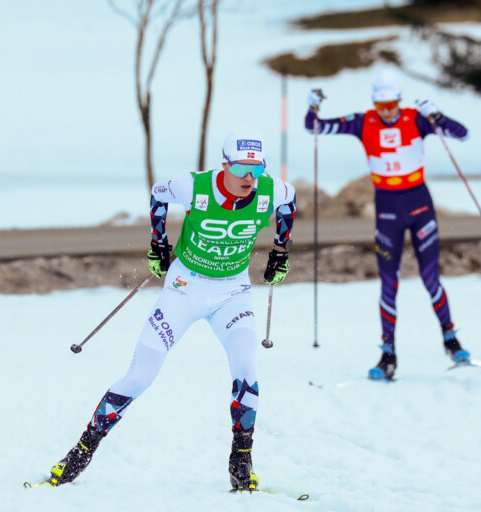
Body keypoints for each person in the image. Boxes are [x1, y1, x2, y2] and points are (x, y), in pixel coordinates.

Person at [35, 128, 297, 491]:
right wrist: (158, 244)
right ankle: (79, 453)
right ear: (224, 166)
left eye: (256, 169)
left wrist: (280, 252)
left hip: (233, 292)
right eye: (240, 169)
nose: (249, 179)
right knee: (140, 376)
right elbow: (159, 193)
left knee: (247, 370)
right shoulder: (194, 186)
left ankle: (241, 462)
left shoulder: (272, 190)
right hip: (185, 288)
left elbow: (290, 202)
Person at [305, 69, 471, 380]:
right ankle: (388, 355)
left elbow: (462, 134)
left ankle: (451, 338)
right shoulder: (363, 121)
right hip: (387, 207)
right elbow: (313, 127)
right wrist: (312, 108)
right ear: (374, 103)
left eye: (391, 104)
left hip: (419, 204)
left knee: (429, 277)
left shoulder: (416, 119)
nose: (387, 112)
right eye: (381, 106)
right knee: (388, 283)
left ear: (399, 100)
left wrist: (437, 116)